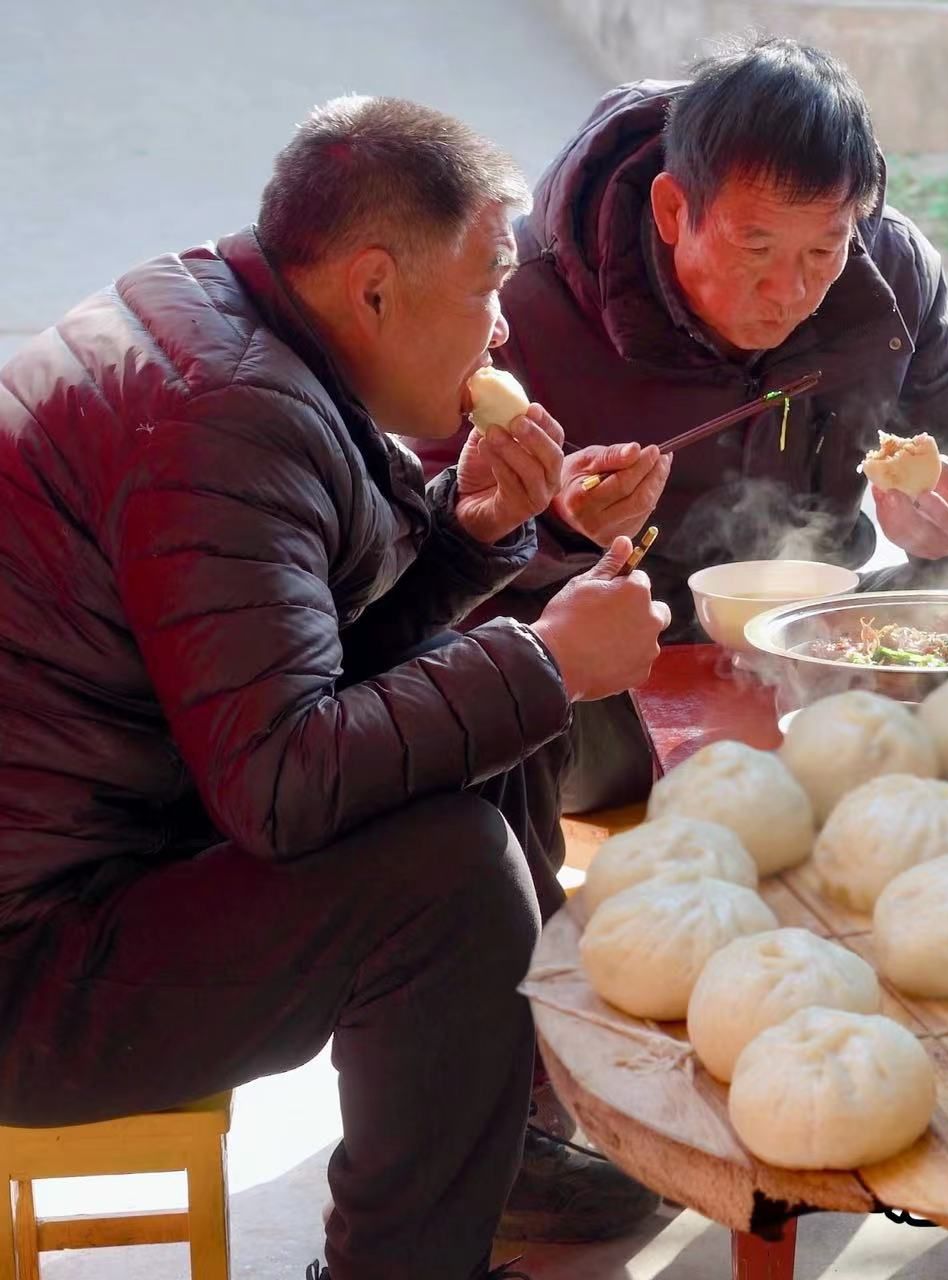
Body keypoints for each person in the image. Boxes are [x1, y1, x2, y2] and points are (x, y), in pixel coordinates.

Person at [0, 98, 671, 1279]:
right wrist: (551, 659)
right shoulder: (226, 415)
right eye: (487, 288)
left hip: (114, 843)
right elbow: (280, 779)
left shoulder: (215, 313)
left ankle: (497, 1157)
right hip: (34, 969)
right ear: (371, 287)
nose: (503, 333)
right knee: (451, 876)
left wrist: (472, 540)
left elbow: (284, 659)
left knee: (486, 728)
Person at [414, 36, 948, 812]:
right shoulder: (520, 296)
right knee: (539, 746)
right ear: (672, 208)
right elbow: (436, 545)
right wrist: (555, 520)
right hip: (617, 654)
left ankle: (813, 741)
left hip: (822, 632)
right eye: (754, 246)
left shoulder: (887, 269)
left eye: (823, 248)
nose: (788, 291)